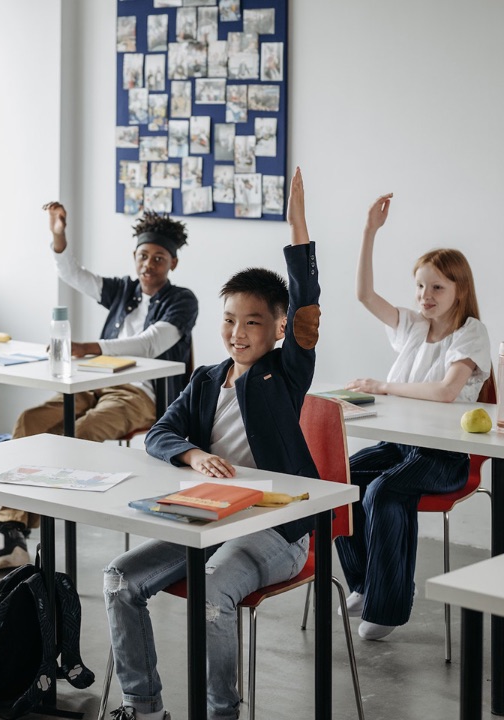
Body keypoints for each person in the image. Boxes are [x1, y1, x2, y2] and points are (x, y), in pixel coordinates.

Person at [103, 167, 318, 720]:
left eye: (253, 322)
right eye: (229, 321)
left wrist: (298, 227)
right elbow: (159, 433)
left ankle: (221, 711)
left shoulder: (284, 375)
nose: (238, 333)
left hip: (276, 526)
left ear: (276, 329)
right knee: (119, 580)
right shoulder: (205, 380)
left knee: (212, 592)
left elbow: (307, 306)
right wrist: (194, 454)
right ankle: (143, 706)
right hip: (208, 517)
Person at [0, 204, 198, 572]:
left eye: (159, 258)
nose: (149, 264)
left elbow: (151, 343)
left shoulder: (182, 300)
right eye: (143, 256)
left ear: (173, 264)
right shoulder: (123, 291)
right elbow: (73, 273)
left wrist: (90, 347)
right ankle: (12, 529)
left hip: (141, 395)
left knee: (79, 432)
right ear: (134, 258)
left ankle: (12, 530)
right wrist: (58, 234)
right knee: (32, 420)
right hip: (94, 382)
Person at [335, 193, 491, 641]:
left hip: (446, 455)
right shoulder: (412, 326)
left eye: (438, 287)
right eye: (420, 286)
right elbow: (364, 294)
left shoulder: (471, 334)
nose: (425, 296)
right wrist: (369, 232)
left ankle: (386, 608)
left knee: (384, 491)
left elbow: (445, 392)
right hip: (401, 444)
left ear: (460, 290)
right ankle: (366, 584)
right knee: (339, 480)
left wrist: (383, 387)